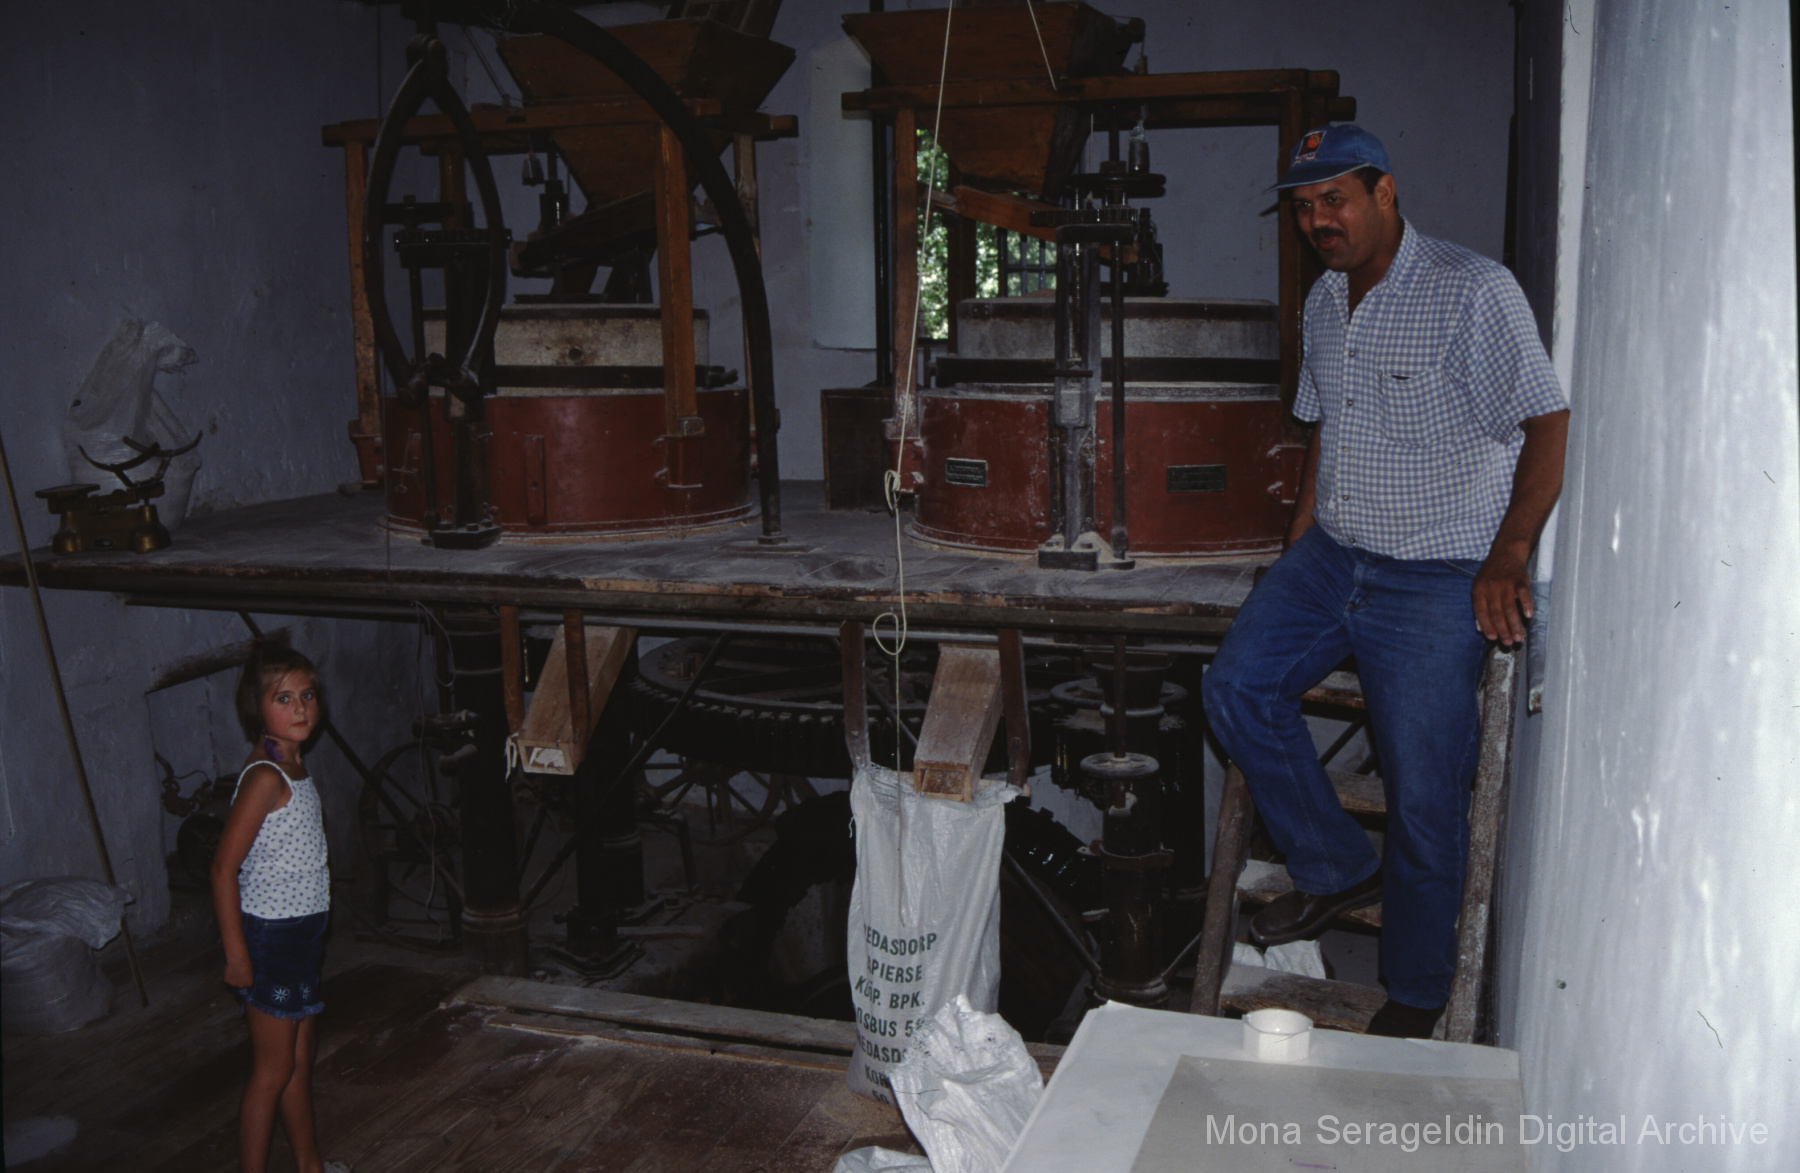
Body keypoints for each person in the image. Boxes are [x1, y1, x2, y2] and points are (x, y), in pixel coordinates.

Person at [1201, 124, 1570, 1038]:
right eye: (1303, 207)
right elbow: (1328, 428)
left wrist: (1509, 554)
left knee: (1424, 791)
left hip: (1437, 571)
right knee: (1236, 686)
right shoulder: (1325, 301)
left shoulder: (1471, 290)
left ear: (1385, 192)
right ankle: (1335, 865)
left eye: (1334, 199)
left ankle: (1415, 989)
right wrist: (1296, 550)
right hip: (1334, 555)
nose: (1318, 221)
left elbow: (1546, 422)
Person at [211, 640, 350, 1173]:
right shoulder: (266, 777)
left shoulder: (292, 763)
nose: (300, 709)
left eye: (307, 695)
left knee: (297, 1062)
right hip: (271, 941)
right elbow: (222, 869)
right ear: (257, 708)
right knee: (272, 1071)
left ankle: (309, 1166)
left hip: (300, 939)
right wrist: (236, 955)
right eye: (284, 698)